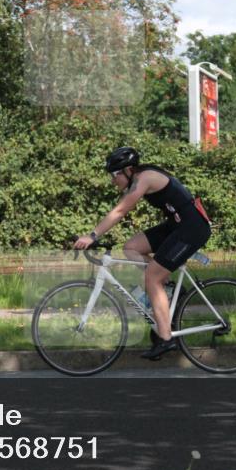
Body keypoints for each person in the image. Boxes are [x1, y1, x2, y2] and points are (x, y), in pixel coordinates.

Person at [73, 146, 212, 360]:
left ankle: (166, 339)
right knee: (131, 247)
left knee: (151, 278)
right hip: (177, 225)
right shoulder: (139, 178)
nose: (112, 181)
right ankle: (168, 290)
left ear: (128, 170)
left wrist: (92, 235)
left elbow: (120, 211)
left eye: (114, 175)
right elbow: (119, 210)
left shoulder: (144, 178)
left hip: (192, 228)